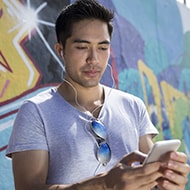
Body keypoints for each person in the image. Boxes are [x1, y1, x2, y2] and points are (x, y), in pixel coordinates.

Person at [6, 0, 189, 189]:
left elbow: (154, 177)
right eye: (82, 47)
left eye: (102, 48)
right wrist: (103, 184)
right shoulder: (36, 111)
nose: (94, 59)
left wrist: (169, 179)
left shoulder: (133, 105)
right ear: (61, 51)